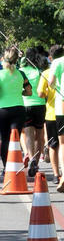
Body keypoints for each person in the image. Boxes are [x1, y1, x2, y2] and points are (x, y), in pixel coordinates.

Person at [0, 47, 31, 168]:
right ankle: (17, 165)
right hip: (19, 109)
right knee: (15, 138)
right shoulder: (21, 73)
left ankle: (6, 167)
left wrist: (0, 100)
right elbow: (29, 92)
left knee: (5, 139)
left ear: (4, 59)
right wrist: (19, 93)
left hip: (3, 109)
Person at [38, 45, 64, 185]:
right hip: (59, 112)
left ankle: (56, 174)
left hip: (52, 113)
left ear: (51, 57)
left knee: (54, 145)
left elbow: (41, 93)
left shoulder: (47, 73)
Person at [20, 48, 47, 179]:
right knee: (40, 135)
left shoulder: (22, 71)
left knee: (29, 135)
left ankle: (31, 159)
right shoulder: (39, 71)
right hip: (40, 105)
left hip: (26, 105)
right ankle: (36, 161)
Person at [46, 44, 64, 192]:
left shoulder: (57, 62)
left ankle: (62, 175)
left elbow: (50, 83)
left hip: (61, 106)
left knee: (62, 143)